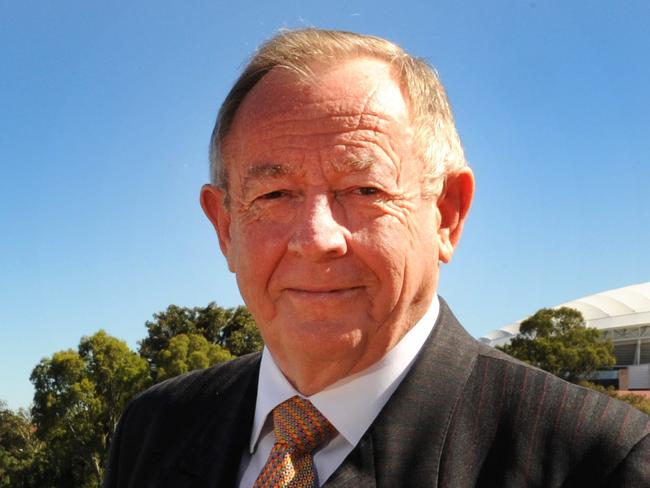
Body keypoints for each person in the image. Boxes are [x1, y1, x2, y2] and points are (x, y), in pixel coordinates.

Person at [103, 29, 649, 487]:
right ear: (224, 226)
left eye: (363, 189)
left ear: (447, 214)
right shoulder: (152, 431)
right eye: (273, 195)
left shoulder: (598, 462)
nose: (316, 238)